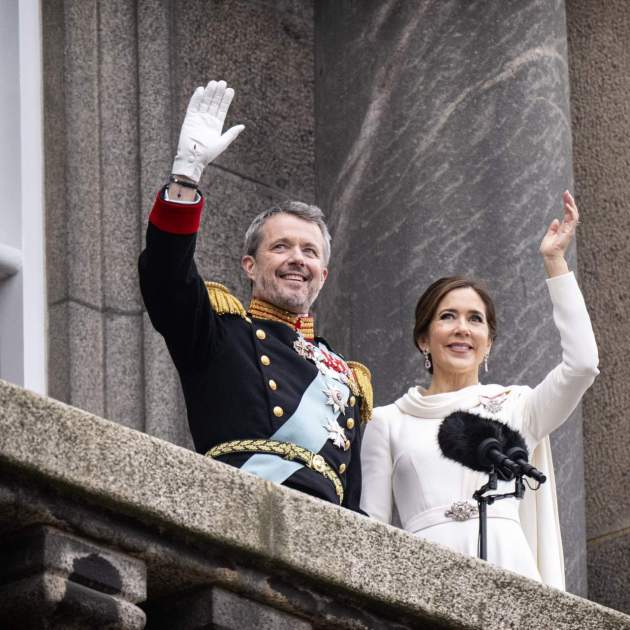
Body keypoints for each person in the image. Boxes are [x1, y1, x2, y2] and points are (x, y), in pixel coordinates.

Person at [138, 80, 372, 512]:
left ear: (324, 273)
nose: (296, 259)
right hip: (237, 516)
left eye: (309, 251)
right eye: (280, 247)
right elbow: (166, 278)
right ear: (250, 265)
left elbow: (353, 497)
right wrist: (186, 174)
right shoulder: (219, 332)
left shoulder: (346, 377)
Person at [360, 191, 598, 588]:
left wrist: (555, 263)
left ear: (488, 342)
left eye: (475, 320)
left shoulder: (517, 407)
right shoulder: (387, 421)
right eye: (447, 316)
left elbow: (583, 365)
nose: (461, 329)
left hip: (509, 569)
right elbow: (371, 530)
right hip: (423, 577)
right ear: (424, 338)